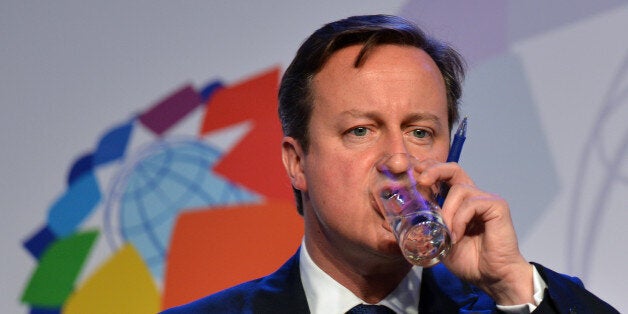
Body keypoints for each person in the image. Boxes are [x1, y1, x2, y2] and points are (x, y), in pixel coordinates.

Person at [163, 14, 618, 313]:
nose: (399, 159)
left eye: (421, 132)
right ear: (297, 162)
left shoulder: (511, 303)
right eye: (360, 130)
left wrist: (514, 284)